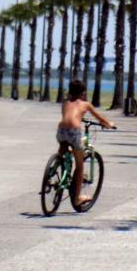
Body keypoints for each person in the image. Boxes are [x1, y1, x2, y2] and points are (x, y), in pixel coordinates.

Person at [57, 78, 116, 208]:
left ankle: (55, 170)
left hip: (61, 130)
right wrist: (109, 124)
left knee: (63, 151)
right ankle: (77, 198)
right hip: (74, 131)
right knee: (79, 166)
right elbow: (101, 119)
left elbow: (69, 115)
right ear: (83, 93)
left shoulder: (65, 103)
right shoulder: (86, 104)